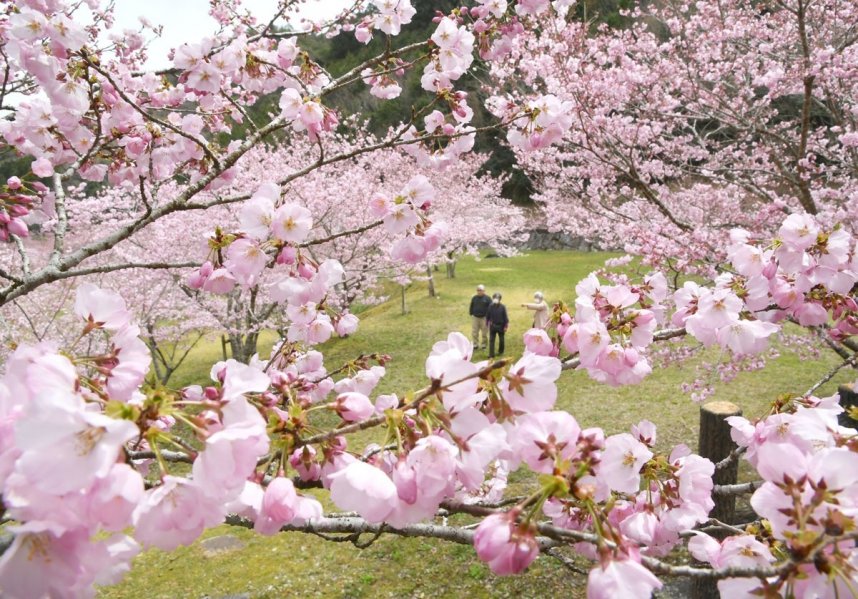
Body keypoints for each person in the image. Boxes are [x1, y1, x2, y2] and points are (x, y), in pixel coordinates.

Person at [486, 292, 509, 358]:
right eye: (494, 298)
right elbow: (487, 316)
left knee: (501, 340)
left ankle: (500, 351)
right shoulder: (490, 306)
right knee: (491, 340)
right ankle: (491, 354)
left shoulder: (503, 307)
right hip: (492, 326)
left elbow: (505, 317)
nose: (495, 299)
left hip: (501, 326)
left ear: (499, 299)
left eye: (497, 298)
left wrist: (505, 326)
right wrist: (487, 324)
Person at [469, 284, 492, 349]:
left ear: (484, 291)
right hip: (475, 317)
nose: (479, 291)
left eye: (480, 290)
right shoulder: (474, 298)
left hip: (484, 318)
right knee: (474, 332)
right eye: (478, 290)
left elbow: (491, 308)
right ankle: (475, 344)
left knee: (484, 332)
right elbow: (471, 306)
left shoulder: (487, 298)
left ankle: (484, 344)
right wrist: (471, 313)